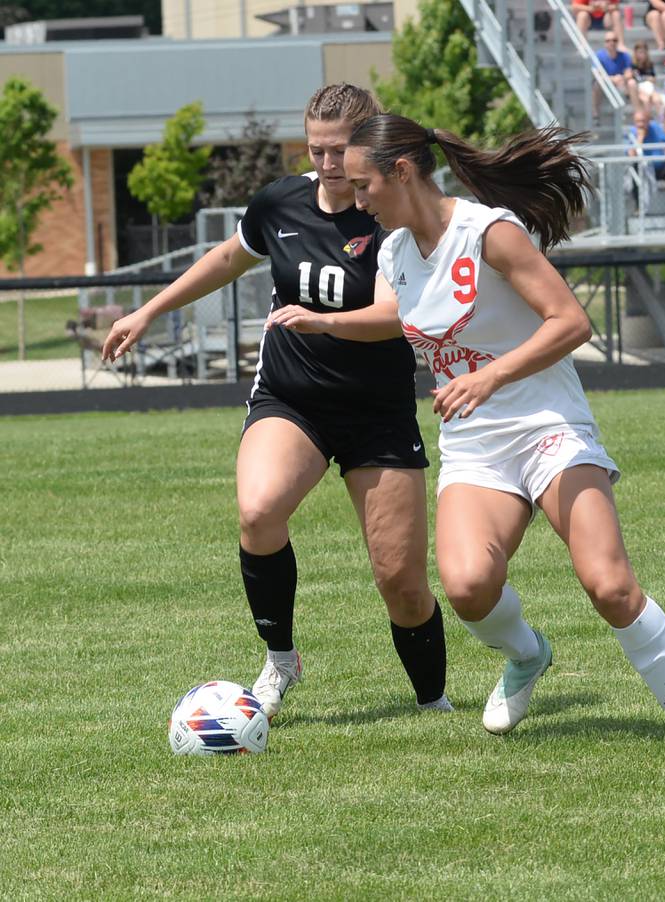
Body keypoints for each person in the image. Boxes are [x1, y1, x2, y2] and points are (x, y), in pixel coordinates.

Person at [340, 114, 665, 746]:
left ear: (402, 172)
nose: (357, 201)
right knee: (466, 586)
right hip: (475, 444)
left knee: (610, 585)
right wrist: (325, 325)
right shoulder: (394, 252)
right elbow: (392, 316)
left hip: (548, 425)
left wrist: (490, 377)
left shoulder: (488, 231)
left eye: (362, 186)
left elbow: (570, 322)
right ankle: (528, 655)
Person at [101, 84, 452, 720]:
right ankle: (281, 659)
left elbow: (394, 315)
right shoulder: (282, 202)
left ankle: (433, 701)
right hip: (292, 400)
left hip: (377, 413)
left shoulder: (391, 216)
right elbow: (230, 255)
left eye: (337, 150)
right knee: (258, 511)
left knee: (400, 582)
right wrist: (148, 310)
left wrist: (323, 323)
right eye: (314, 149)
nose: (323, 163)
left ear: (367, 143)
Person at [593, 32, 638, 120]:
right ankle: (595, 114)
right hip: (605, 84)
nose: (611, 43)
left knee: (632, 83)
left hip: (621, 83)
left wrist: (621, 78)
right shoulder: (599, 56)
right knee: (597, 84)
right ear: (604, 43)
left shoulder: (624, 56)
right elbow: (597, 74)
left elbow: (629, 73)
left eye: (614, 40)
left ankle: (637, 113)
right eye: (608, 41)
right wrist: (612, 79)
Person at [631, 41, 665, 116]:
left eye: (644, 52)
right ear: (636, 53)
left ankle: (662, 120)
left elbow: (653, 79)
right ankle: (647, 120)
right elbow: (635, 80)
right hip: (639, 90)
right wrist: (647, 78)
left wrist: (648, 79)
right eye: (640, 52)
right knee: (646, 100)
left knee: (657, 100)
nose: (642, 55)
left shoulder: (649, 64)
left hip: (650, 88)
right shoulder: (633, 65)